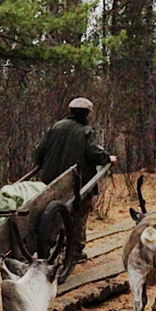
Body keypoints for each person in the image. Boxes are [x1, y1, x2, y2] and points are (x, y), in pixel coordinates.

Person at [34, 97, 117, 261]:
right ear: (87, 114)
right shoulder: (86, 131)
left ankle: (52, 243)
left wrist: (43, 165)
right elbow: (94, 153)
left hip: (51, 181)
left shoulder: (55, 127)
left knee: (51, 213)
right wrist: (108, 158)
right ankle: (76, 250)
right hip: (78, 181)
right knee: (79, 213)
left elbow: (39, 151)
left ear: (70, 111)